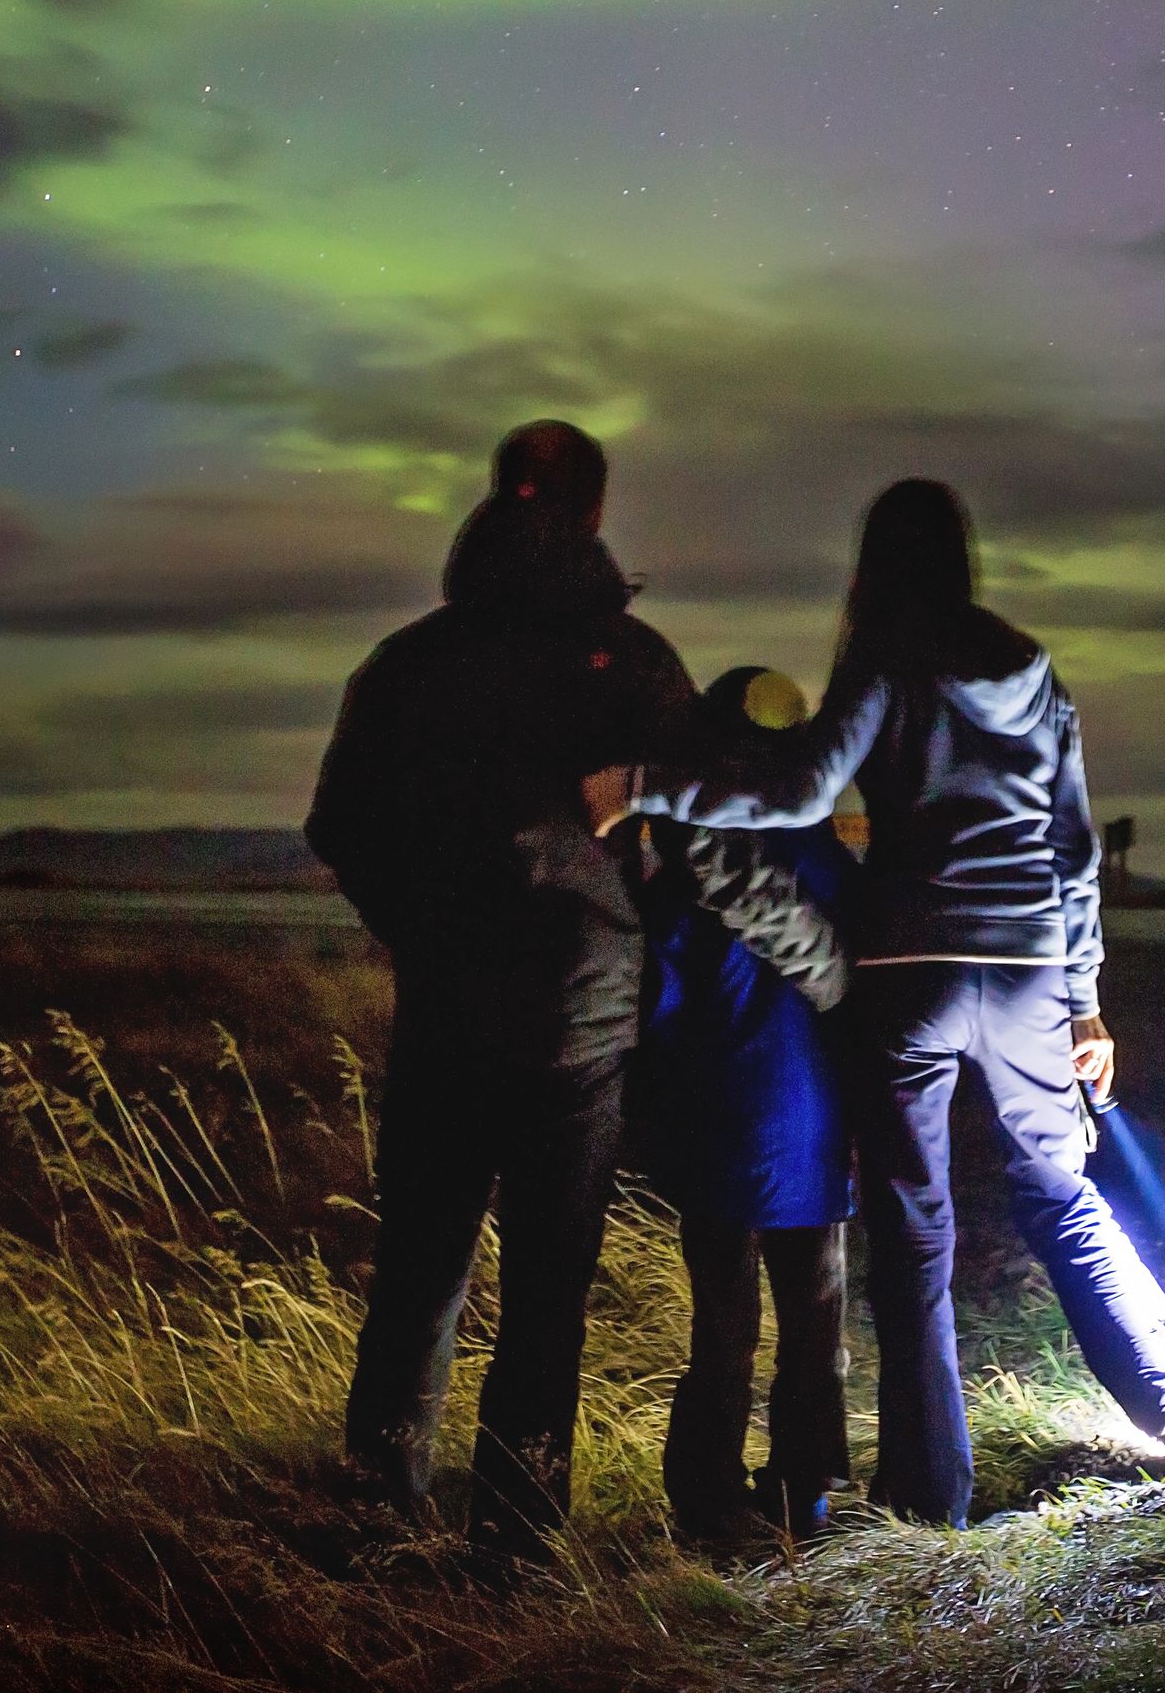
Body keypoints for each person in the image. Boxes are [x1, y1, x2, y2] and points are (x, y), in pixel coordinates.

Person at [594, 478, 1165, 1526]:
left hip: (908, 970)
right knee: (1061, 1188)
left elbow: (795, 794)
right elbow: (1072, 852)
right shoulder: (1032, 669)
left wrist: (647, 783)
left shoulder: (881, 657)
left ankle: (931, 1498)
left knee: (915, 1235)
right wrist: (1085, 1003)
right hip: (1024, 974)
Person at [305, 422, 845, 1562]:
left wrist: (420, 929)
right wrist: (822, 964)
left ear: (493, 499)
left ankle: (375, 1517)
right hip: (582, 1024)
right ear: (596, 515)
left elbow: (338, 823)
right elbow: (703, 850)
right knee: (548, 1294)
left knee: (419, 1277)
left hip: (446, 1013)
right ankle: (517, 1541)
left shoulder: (407, 664)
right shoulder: (636, 665)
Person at [629, 664, 859, 1544]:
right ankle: (809, 1492)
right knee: (814, 1320)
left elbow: (661, 1006)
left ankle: (710, 1500)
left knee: (723, 1327)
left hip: (722, 1128)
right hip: (816, 1130)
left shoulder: (687, 871)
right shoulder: (833, 861)